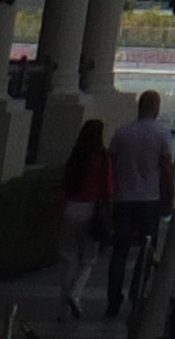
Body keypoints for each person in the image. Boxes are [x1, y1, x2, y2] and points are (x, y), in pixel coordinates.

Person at [105, 95, 175, 320]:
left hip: (124, 198)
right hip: (149, 199)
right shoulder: (162, 132)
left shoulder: (122, 132)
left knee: (119, 251)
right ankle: (137, 294)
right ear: (156, 108)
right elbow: (165, 167)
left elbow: (111, 164)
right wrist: (170, 195)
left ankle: (113, 300)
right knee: (147, 250)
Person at [56, 121, 112, 319]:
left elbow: (63, 186)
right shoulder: (101, 157)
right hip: (90, 209)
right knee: (88, 260)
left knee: (68, 258)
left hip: (70, 208)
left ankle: (64, 309)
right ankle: (75, 294)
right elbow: (107, 187)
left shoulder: (75, 156)